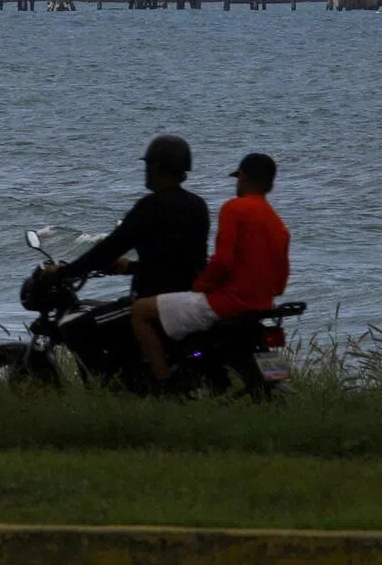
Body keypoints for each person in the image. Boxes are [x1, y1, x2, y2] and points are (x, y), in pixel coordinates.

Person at [131, 152, 290, 382]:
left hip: (226, 304)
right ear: (270, 184)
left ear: (243, 177)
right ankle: (275, 381)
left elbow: (223, 261)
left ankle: (163, 386)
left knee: (140, 311)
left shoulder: (234, 208)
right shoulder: (278, 224)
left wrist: (200, 285)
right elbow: (280, 282)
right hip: (261, 306)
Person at [46, 135, 210, 299]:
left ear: (156, 167)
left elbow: (109, 249)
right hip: (189, 298)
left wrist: (64, 272)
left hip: (152, 299)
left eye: (147, 165)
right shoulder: (198, 205)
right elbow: (179, 263)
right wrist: (130, 267)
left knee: (83, 323)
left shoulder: (150, 205)